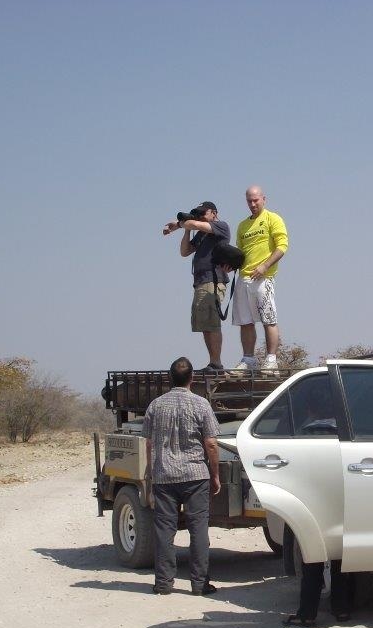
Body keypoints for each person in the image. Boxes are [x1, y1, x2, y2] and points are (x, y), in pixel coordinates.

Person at [141, 357, 221, 596]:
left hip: (164, 475)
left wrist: (150, 471)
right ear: (192, 378)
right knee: (199, 529)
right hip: (196, 475)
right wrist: (214, 474)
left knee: (165, 530)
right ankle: (199, 584)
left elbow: (148, 443)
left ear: (169, 378)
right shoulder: (201, 404)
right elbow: (212, 444)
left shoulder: (155, 405)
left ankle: (163, 584)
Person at [162, 203, 231, 371]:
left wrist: (180, 224)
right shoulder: (201, 234)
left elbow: (195, 224)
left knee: (211, 321)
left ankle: (216, 363)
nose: (199, 216)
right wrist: (186, 229)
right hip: (201, 281)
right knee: (204, 324)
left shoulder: (220, 226)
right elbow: (184, 251)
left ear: (214, 213)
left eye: (203, 213)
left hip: (213, 280)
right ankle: (213, 362)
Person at [230, 186, 288, 373]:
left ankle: (271, 360)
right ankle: (249, 359)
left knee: (269, 319)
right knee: (245, 321)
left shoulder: (273, 218)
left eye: (256, 200)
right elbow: (240, 253)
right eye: (249, 201)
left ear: (264, 199)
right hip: (243, 278)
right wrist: (229, 264)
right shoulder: (242, 225)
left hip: (264, 278)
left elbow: (282, 246)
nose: (253, 204)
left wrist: (264, 266)